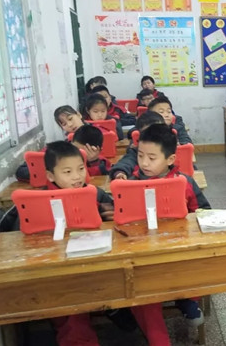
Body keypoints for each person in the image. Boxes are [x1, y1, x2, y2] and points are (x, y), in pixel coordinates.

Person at [44, 141, 170, 346]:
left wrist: (112, 214)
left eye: (81, 169)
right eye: (67, 172)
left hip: (108, 264)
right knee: (70, 313)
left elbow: (120, 214)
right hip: (68, 274)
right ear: (50, 176)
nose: (77, 177)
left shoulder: (95, 193)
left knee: (145, 293)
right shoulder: (40, 201)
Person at [129, 124, 210, 326]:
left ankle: (187, 299)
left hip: (179, 245)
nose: (144, 163)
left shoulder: (184, 182)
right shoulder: (131, 184)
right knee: (144, 285)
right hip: (144, 250)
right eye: (140, 156)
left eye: (152, 158)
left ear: (170, 159)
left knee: (191, 266)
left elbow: (204, 211)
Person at [110, 111, 165, 180]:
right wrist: (120, 172)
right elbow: (127, 162)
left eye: (158, 131)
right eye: (148, 133)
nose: (153, 136)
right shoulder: (137, 151)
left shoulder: (171, 148)